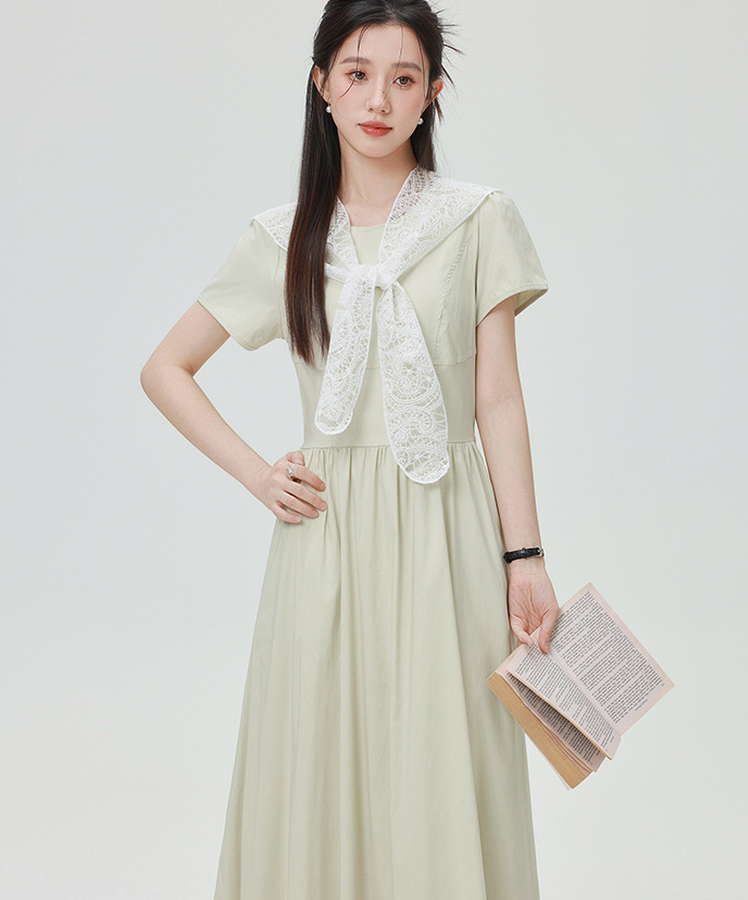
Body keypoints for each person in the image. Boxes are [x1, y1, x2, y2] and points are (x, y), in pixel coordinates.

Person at [140, 1, 560, 897]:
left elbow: (497, 397)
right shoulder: (283, 236)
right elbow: (166, 369)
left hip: (448, 529)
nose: (378, 99)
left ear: (432, 93)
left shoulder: (478, 219)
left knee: (445, 760)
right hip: (324, 537)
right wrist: (259, 474)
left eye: (404, 79)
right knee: (319, 759)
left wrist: (524, 555)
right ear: (321, 83)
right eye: (358, 74)